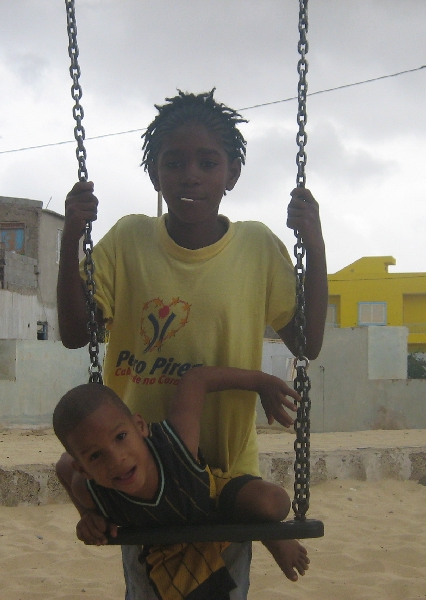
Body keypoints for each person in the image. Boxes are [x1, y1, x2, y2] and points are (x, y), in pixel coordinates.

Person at [57, 89, 328, 599]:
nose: (190, 175)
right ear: (155, 172)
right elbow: (76, 333)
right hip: (137, 471)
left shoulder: (257, 248)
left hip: (224, 467)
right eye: (174, 162)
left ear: (232, 173)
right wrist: (71, 235)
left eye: (208, 162)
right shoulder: (129, 239)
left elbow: (308, 342)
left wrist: (314, 247)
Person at [53, 366, 310, 599]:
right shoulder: (92, 490)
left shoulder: (178, 445)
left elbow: (196, 379)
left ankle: (272, 538)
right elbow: (64, 466)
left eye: (120, 436)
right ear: (84, 470)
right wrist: (86, 515)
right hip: (165, 539)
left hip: (209, 495)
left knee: (274, 503)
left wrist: (260, 381)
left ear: (140, 426)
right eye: (95, 456)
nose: (117, 459)